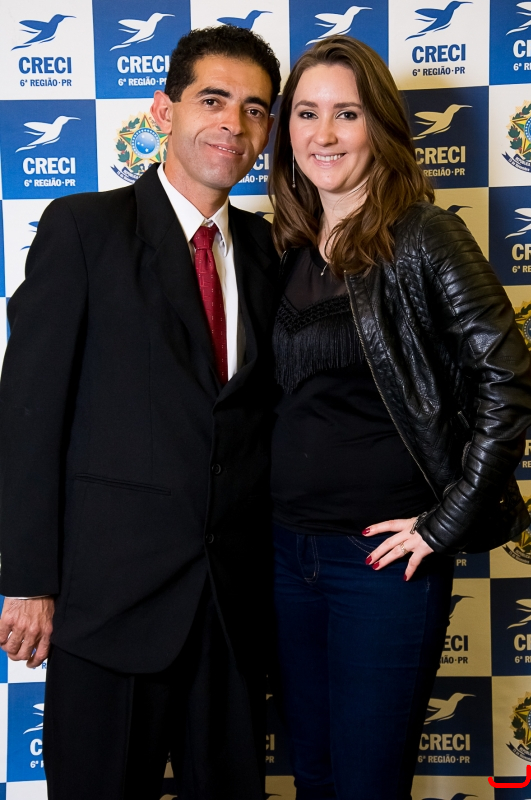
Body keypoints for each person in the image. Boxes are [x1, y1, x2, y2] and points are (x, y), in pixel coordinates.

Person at [0, 25, 281, 800]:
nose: (233, 124)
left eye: (254, 109)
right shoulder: (83, 230)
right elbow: (28, 412)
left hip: (232, 609)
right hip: (108, 604)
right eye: (213, 100)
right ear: (164, 110)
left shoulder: (269, 252)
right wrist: (30, 580)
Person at [268, 36, 531, 800]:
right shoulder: (284, 246)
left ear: (379, 126)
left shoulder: (422, 235)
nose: (323, 134)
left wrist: (444, 523)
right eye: (306, 113)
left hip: (379, 565)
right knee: (311, 777)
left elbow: (509, 380)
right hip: (284, 554)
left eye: (346, 114)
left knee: (366, 784)